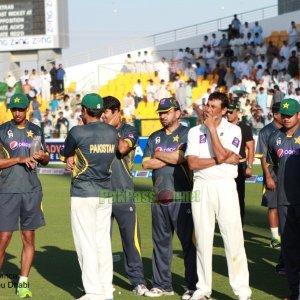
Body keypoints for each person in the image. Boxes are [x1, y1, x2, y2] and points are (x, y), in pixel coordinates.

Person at [186, 92, 251, 300]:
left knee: (234, 239)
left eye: (214, 107)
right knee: (203, 240)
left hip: (225, 187)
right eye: (208, 105)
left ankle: (242, 291)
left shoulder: (235, 130)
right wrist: (221, 159)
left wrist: (213, 130)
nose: (209, 109)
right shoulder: (195, 131)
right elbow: (193, 163)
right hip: (201, 186)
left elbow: (223, 154)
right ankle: (203, 289)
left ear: (224, 110)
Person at [62, 93, 118, 300]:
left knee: (86, 242)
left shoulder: (78, 131)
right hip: (105, 193)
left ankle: (94, 292)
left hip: (84, 192)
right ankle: (105, 289)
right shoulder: (112, 132)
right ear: (102, 111)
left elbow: (65, 151)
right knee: (103, 242)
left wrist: (70, 156)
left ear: (84, 111)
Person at [142, 97, 197, 299]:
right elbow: (146, 164)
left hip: (183, 197)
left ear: (178, 113)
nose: (162, 116)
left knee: (189, 244)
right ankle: (161, 285)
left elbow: (182, 158)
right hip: (158, 197)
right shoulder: (154, 136)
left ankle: (192, 286)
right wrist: (168, 157)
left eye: (166, 112)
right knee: (160, 243)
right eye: (160, 113)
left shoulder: (187, 133)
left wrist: (159, 155)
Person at [0, 93, 49, 298]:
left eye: (21, 109)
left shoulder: (36, 130)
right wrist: (20, 158)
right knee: (3, 239)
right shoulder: (2, 130)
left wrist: (42, 156)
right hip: (7, 190)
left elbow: (45, 158)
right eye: (14, 109)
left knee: (28, 237)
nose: (17, 112)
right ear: (10, 109)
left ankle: (23, 283)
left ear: (27, 108)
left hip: (31, 190)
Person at [102, 96, 148, 296]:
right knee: (101, 241)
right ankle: (103, 281)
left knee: (130, 240)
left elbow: (122, 148)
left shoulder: (130, 130)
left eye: (106, 113)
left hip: (123, 193)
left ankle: (137, 281)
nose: (103, 116)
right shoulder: (99, 130)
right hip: (101, 193)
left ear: (117, 112)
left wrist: (107, 132)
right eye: (101, 113)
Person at [267, 98, 300, 300]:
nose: (286, 119)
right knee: (289, 249)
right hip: (284, 201)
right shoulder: (274, 138)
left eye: (290, 115)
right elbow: (271, 163)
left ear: (299, 115)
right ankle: (294, 291)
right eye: (284, 115)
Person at [255, 102, 285, 274]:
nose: (285, 117)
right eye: (283, 114)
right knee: (273, 205)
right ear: (275, 114)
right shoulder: (266, 131)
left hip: (289, 175)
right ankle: (275, 238)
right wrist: (267, 177)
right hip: (272, 173)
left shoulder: (292, 131)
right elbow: (263, 157)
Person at [227, 101, 254, 224]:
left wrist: (249, 166)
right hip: (225, 165)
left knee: (239, 196)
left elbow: (251, 147)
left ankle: (239, 225)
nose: (228, 114)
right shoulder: (223, 126)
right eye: (227, 111)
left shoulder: (244, 128)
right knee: (225, 196)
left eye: (231, 112)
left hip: (240, 165)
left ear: (237, 112)